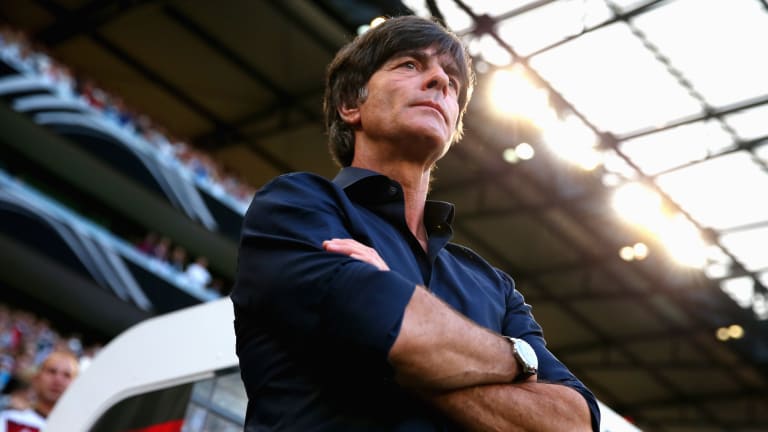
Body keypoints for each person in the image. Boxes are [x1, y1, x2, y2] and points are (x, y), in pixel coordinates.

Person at [231, 15, 600, 431]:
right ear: (351, 105)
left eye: (453, 82)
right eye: (409, 64)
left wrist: (400, 331)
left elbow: (575, 424)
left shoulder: (494, 286)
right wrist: (518, 357)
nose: (440, 81)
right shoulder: (296, 205)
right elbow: (398, 335)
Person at [0, 350, 79, 432]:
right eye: (52, 371)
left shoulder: (79, 428)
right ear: (36, 378)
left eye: (67, 375)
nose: (58, 380)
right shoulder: (9, 421)